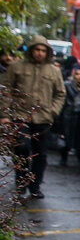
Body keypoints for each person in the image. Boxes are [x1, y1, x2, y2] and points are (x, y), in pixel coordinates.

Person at [0, 36, 66, 198]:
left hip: (43, 118)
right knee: (22, 149)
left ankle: (35, 187)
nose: (39, 53)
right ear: (31, 50)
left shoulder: (54, 70)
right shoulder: (17, 66)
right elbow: (6, 90)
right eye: (37, 49)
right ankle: (21, 185)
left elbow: (60, 94)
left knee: (41, 155)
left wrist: (53, 112)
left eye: (43, 50)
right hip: (20, 115)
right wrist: (4, 114)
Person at [59, 64, 80, 167]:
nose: (79, 76)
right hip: (69, 114)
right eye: (77, 74)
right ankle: (64, 157)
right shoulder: (67, 85)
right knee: (67, 136)